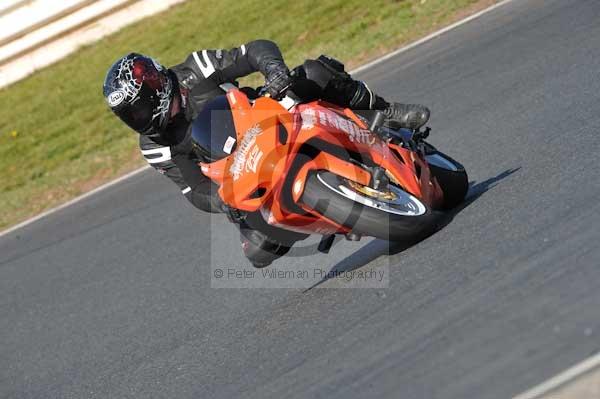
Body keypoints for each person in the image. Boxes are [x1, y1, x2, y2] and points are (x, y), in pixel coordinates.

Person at [102, 39, 430, 267]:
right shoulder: (154, 146)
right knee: (258, 252)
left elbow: (254, 50)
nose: (139, 120)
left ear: (156, 88)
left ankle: (385, 112)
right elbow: (193, 189)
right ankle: (329, 213)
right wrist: (223, 201)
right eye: (130, 116)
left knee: (315, 73)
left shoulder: (196, 70)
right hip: (240, 176)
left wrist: (274, 72)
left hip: (268, 117)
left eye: (139, 109)